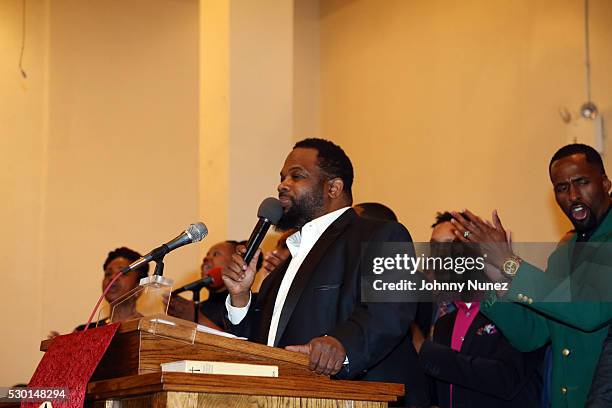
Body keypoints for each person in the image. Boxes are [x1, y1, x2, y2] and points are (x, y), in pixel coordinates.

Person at [222, 138, 429, 406]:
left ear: (333, 187)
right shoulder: (281, 271)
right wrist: (240, 298)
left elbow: (389, 312)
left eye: (297, 176)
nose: (282, 185)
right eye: (282, 177)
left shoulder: (382, 235)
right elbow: (261, 347)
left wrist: (341, 345)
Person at [450, 144, 612, 407]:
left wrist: (510, 263)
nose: (573, 195)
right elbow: (532, 335)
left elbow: (589, 309)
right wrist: (497, 277)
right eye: (561, 187)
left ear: (605, 183)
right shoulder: (564, 252)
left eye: (582, 182)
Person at [414, 212, 543, 407]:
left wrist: (426, 350)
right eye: (435, 248)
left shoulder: (515, 310)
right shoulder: (444, 323)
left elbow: (505, 379)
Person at [167, 240, 262, 328]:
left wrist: (197, 319)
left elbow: (241, 342)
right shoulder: (199, 306)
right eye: (207, 255)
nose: (206, 258)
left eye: (216, 254)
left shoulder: (255, 304)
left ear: (236, 262)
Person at [75, 247, 150, 331]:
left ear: (138, 288)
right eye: (108, 274)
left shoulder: (150, 331)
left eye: (122, 273)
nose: (112, 277)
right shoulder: (83, 332)